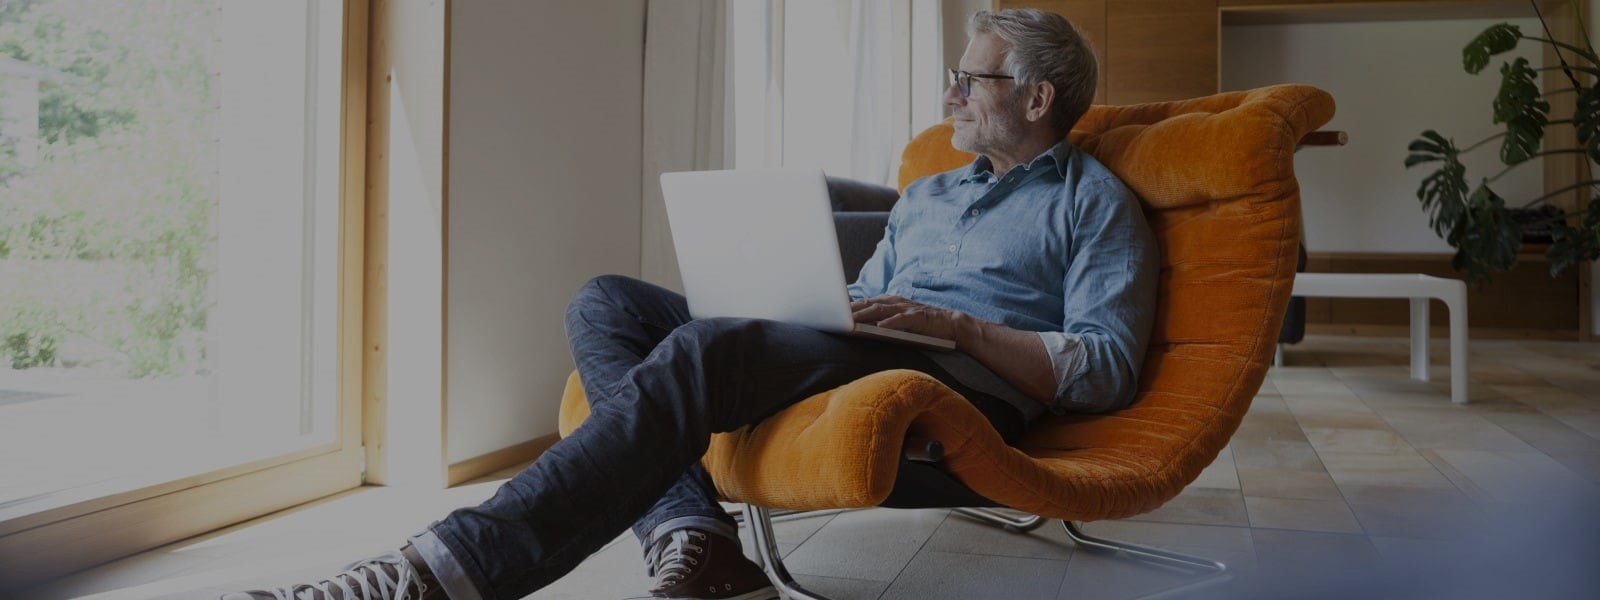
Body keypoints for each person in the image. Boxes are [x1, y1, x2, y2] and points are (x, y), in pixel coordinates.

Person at [226, 8, 1156, 600]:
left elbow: (1105, 369)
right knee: (609, 303)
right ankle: (693, 533)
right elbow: (874, 296)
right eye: (953, 73)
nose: (949, 91)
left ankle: (442, 570)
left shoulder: (1092, 202)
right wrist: (827, 302)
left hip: (959, 380)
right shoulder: (930, 192)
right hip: (869, 343)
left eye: (974, 78)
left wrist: (958, 327)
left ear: (1038, 97)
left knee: (710, 350)